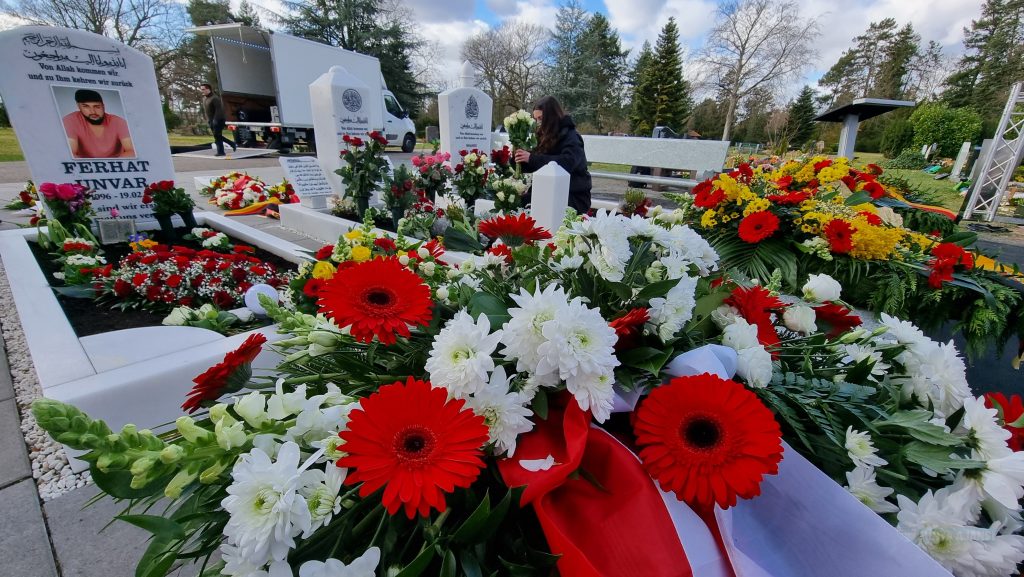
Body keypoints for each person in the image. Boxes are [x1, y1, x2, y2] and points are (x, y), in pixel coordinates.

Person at [514, 95, 592, 215]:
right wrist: (518, 159)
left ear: (551, 117)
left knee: (526, 205)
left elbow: (567, 163)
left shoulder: (571, 136)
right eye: (535, 119)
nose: (538, 123)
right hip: (548, 190)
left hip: (572, 194)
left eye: (540, 118)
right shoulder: (544, 135)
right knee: (515, 202)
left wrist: (531, 158)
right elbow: (536, 162)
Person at [61, 89, 135, 159]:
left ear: (103, 106)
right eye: (86, 106)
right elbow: (70, 154)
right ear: (78, 106)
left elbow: (132, 151)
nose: (93, 112)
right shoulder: (70, 121)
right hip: (86, 169)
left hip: (116, 166)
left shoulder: (118, 121)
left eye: (97, 107)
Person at [200, 83, 236, 157]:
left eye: (203, 89)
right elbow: (207, 110)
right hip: (211, 120)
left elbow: (219, 110)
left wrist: (215, 120)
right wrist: (207, 119)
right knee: (217, 136)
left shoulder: (215, 98)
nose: (202, 91)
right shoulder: (205, 99)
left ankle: (221, 152)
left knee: (217, 136)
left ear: (208, 89)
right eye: (201, 89)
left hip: (218, 120)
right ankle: (232, 144)